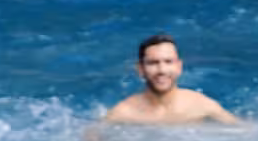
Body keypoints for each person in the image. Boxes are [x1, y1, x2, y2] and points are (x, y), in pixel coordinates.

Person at [102, 34, 241, 125]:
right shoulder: (124, 113)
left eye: (168, 62)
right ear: (140, 69)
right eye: (153, 63)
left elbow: (244, 131)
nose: (162, 70)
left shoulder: (201, 105)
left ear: (179, 67)